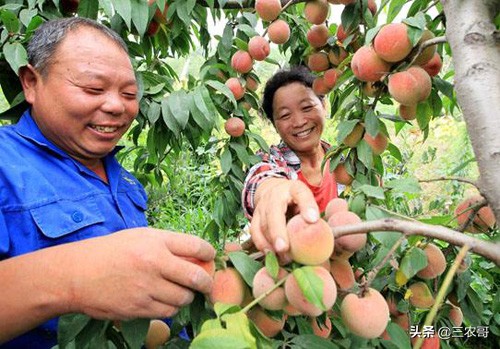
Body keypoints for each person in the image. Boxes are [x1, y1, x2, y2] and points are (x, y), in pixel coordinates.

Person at [0, 17, 215, 348]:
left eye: (129, 93)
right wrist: (72, 278)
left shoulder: (123, 181)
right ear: (31, 82)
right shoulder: (5, 163)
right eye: (93, 89)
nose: (117, 106)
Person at [242, 66, 343, 260]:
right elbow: (261, 179)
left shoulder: (345, 162)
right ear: (275, 125)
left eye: (307, 108)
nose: (298, 122)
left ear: (324, 106)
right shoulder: (273, 161)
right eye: (285, 115)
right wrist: (273, 191)